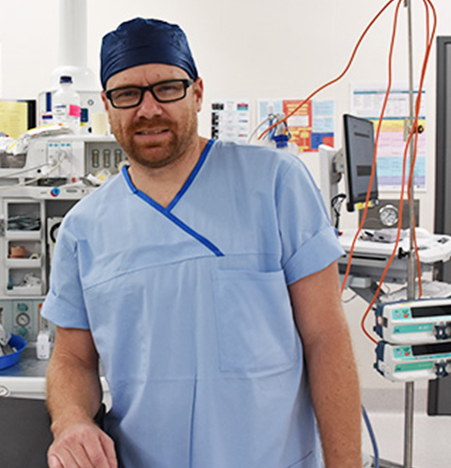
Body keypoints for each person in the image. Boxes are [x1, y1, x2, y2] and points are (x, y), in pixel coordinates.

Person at [42, 17, 361, 468]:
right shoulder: (83, 228)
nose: (148, 109)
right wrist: (72, 420)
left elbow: (325, 338)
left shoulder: (275, 184)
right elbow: (72, 359)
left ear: (196, 92)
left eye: (167, 88)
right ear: (109, 108)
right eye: (127, 94)